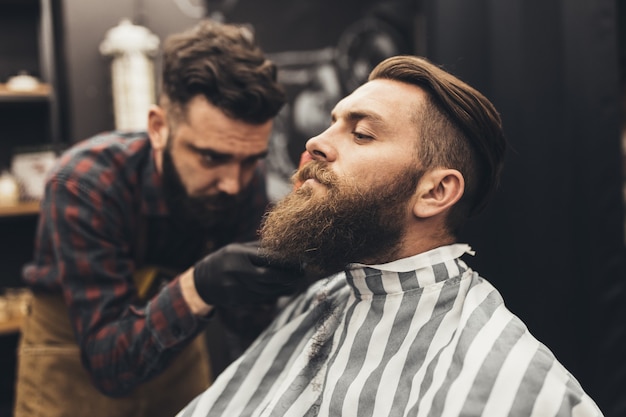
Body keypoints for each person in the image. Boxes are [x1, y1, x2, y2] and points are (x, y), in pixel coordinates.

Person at [175, 55, 603, 417]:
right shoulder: (323, 300)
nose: (316, 142)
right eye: (332, 122)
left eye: (361, 133)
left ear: (435, 192)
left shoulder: (507, 373)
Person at [14, 19, 303, 417]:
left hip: (175, 361)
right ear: (158, 128)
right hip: (75, 360)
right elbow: (109, 365)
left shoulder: (238, 180)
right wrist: (199, 285)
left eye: (251, 159)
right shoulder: (84, 183)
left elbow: (249, 325)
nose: (233, 184)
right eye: (210, 157)